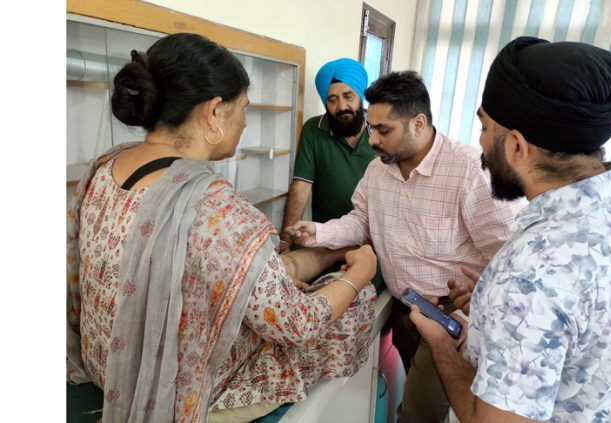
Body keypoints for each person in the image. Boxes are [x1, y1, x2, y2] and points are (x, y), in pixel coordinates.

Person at [66, 33, 378, 423]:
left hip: (108, 366)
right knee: (358, 300)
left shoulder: (104, 166)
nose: (246, 122)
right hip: (170, 390)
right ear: (214, 112)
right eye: (243, 108)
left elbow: (180, 270)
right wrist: (360, 273)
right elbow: (297, 324)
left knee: (294, 274)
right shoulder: (218, 209)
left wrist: (296, 262)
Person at [409, 36, 611, 422]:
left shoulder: (531, 276)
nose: (479, 143)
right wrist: (489, 314)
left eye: (484, 127)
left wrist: (440, 341)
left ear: (516, 146)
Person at [289, 70, 524, 423]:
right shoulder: (378, 170)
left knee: (418, 413)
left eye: (385, 130)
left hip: (450, 316)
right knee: (425, 404)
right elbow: (360, 222)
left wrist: (468, 313)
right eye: (372, 127)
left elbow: (509, 253)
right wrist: (320, 233)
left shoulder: (468, 171)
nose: (373, 140)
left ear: (418, 123)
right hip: (406, 308)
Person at [278, 58, 375, 254]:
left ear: (361, 96)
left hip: (370, 244)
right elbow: (301, 187)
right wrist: (285, 241)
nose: (341, 106)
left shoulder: (382, 133)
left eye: (348, 96)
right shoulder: (314, 130)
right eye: (332, 99)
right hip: (322, 240)